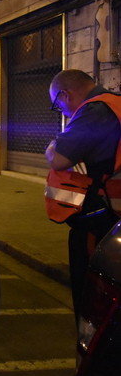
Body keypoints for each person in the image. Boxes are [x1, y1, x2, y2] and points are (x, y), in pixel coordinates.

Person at [45, 69, 121, 317]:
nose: (64, 112)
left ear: (65, 95)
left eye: (58, 105)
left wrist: (52, 147)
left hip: (100, 220)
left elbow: (58, 159)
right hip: (113, 216)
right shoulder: (115, 104)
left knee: (93, 292)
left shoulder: (93, 111)